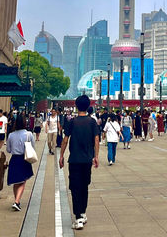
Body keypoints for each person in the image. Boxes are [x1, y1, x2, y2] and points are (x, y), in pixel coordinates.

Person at [59, 94, 101, 231]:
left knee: (75, 188)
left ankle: (78, 218)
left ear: (76, 106)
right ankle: (82, 212)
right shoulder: (92, 122)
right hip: (87, 160)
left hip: (74, 160)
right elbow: (96, 139)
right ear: (88, 106)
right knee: (84, 186)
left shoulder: (72, 122)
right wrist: (96, 156)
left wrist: (61, 156)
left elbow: (65, 140)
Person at [6, 114, 36, 211]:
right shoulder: (29, 134)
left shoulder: (11, 135)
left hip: (14, 159)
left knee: (16, 181)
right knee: (22, 181)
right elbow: (33, 147)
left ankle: (16, 200)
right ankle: (17, 201)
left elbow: (8, 150)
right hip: (24, 159)